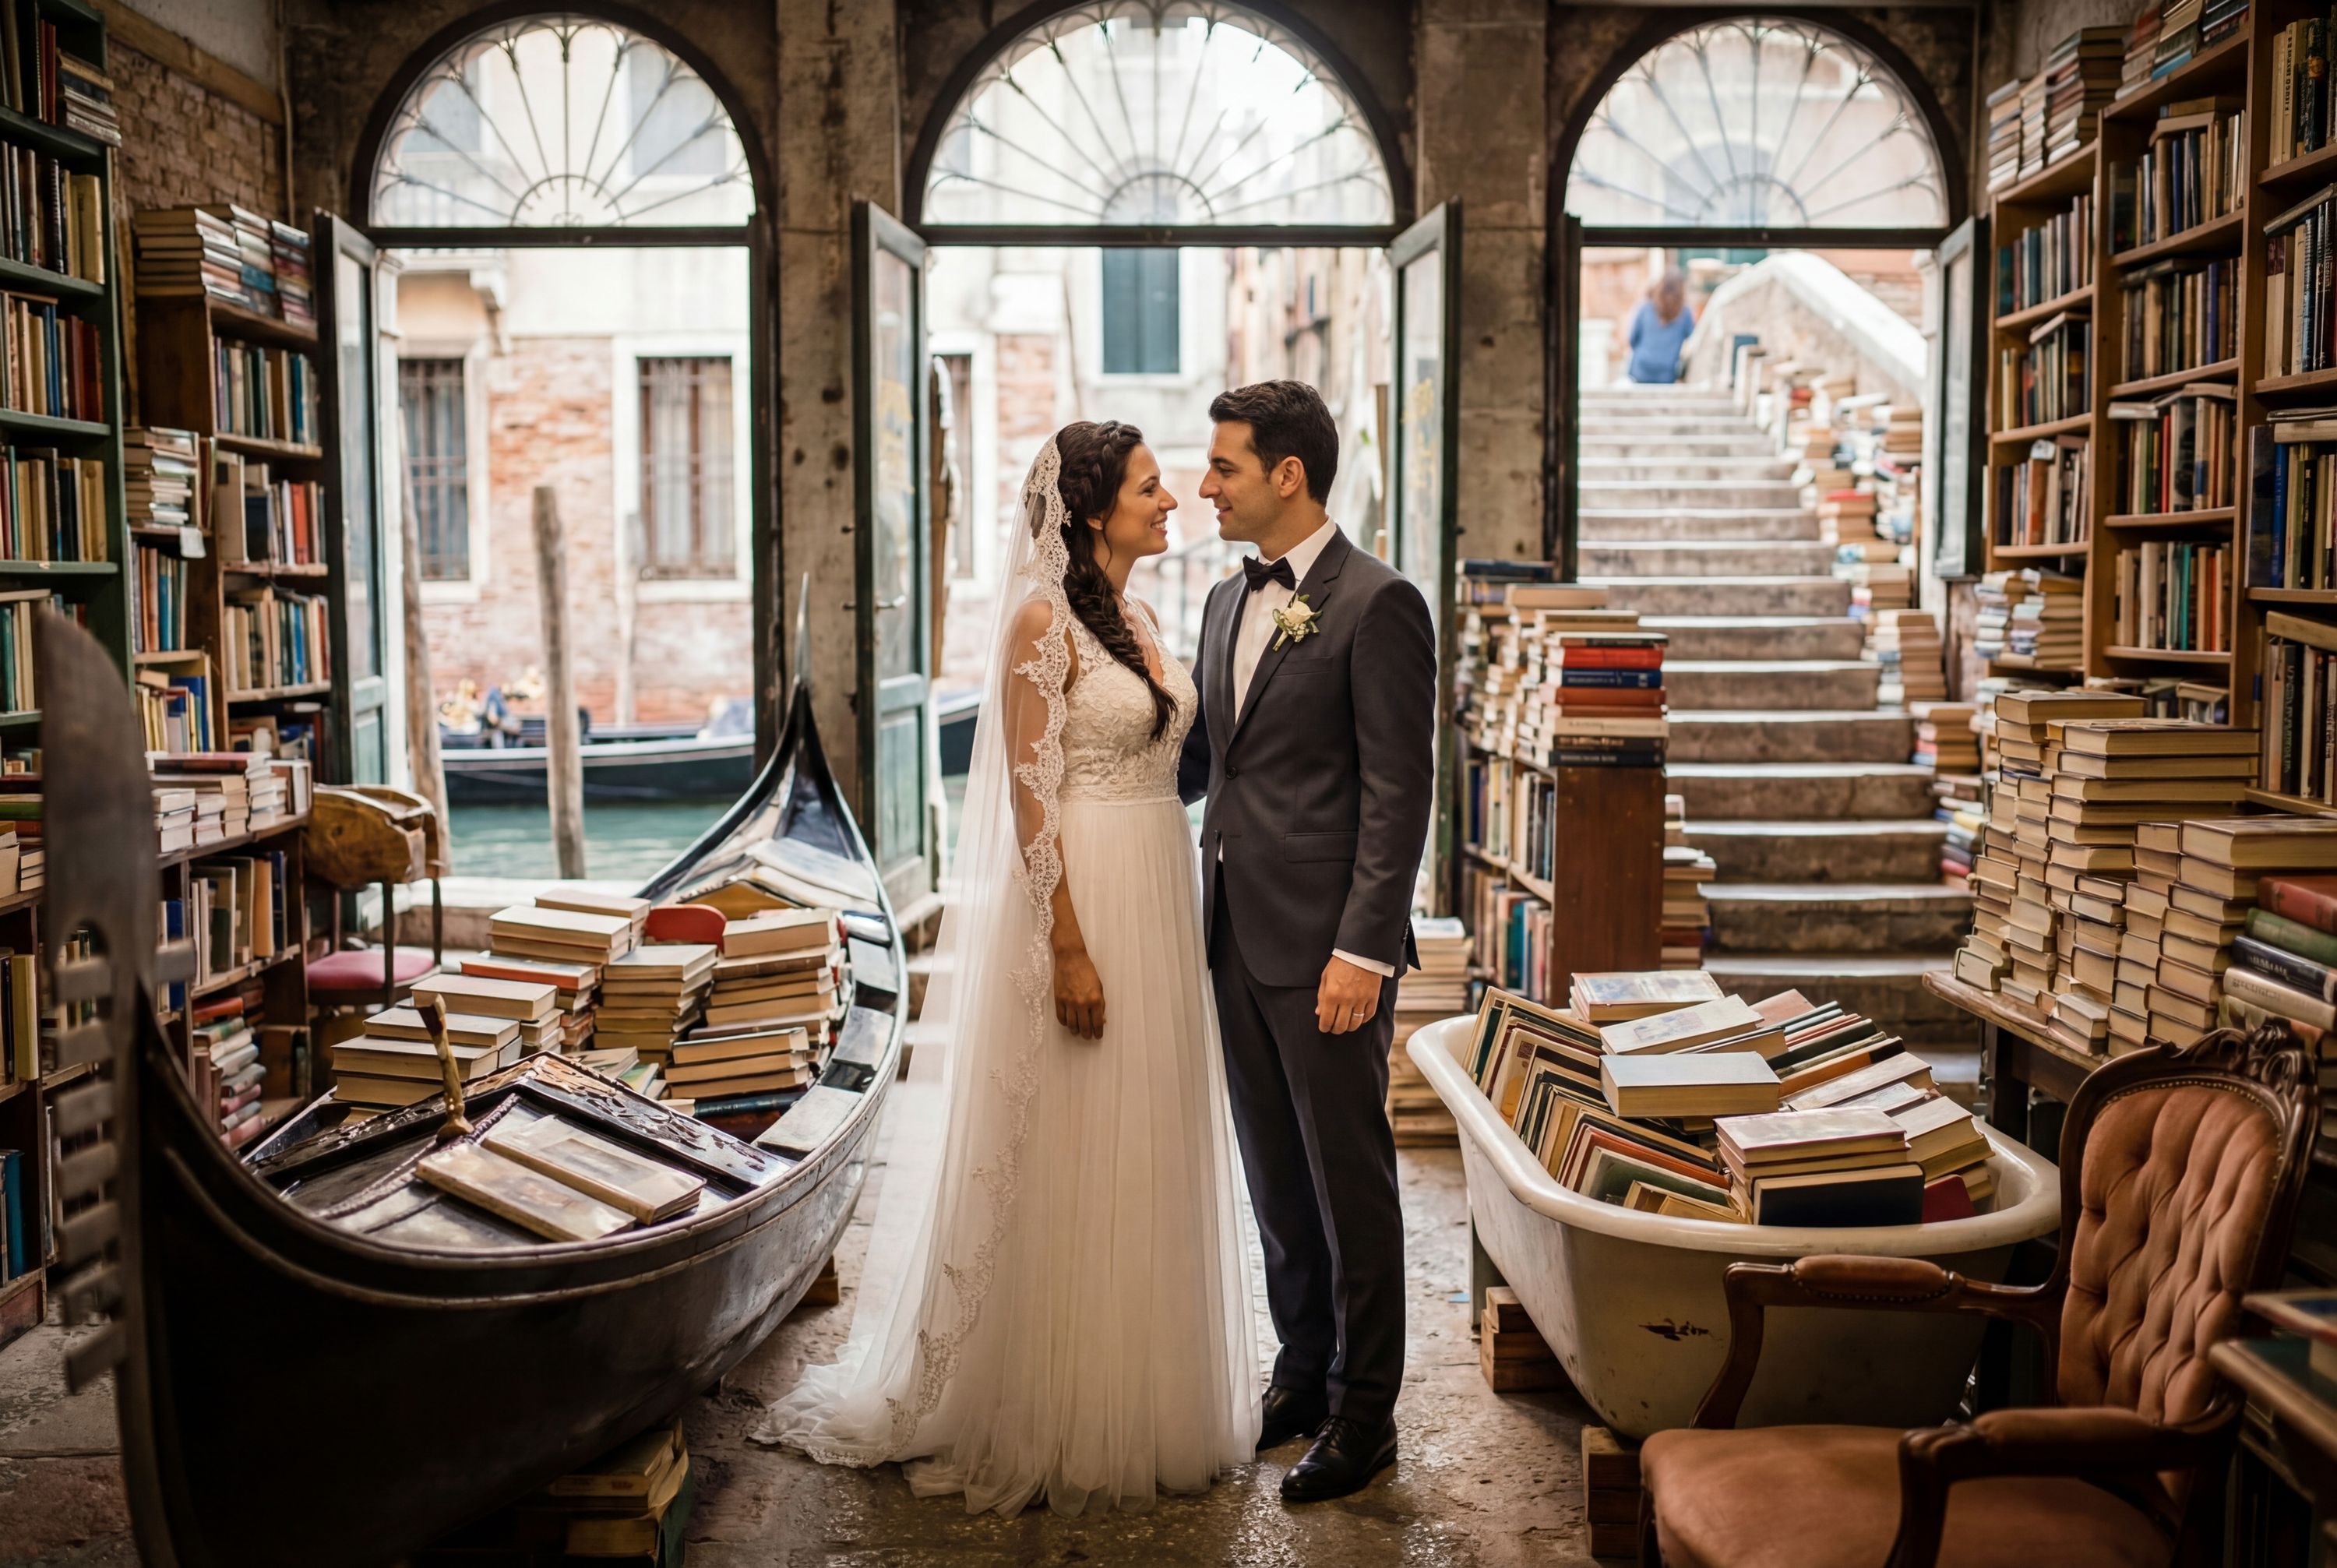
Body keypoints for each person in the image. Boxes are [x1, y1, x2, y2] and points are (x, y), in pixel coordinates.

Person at [758, 421, 1260, 1515]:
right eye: (1148, 486)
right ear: (1090, 510)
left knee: (1150, 1135)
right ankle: (1057, 1403)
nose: (1170, 498)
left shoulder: (1140, 617)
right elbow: (1033, 805)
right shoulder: (1043, 624)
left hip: (1159, 895)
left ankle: (1150, 1386)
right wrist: (1066, 944)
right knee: (1077, 1136)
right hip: (1085, 899)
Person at [1178, 380, 1437, 1503]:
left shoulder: (1380, 604)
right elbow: (1207, 769)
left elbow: (1399, 796)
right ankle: (1301, 1370)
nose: (1205, 485)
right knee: (1276, 1177)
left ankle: (1367, 1411)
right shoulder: (1224, 604)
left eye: (1224, 465)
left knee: (1350, 1179)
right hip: (1232, 932)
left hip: (1331, 950)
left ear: (1288, 474)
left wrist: (1363, 954)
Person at [1626, 270, 1695, 384]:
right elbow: (1693, 340)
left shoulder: (1645, 308)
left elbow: (1632, 339)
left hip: (1641, 370)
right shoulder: (1685, 313)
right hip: (1667, 373)